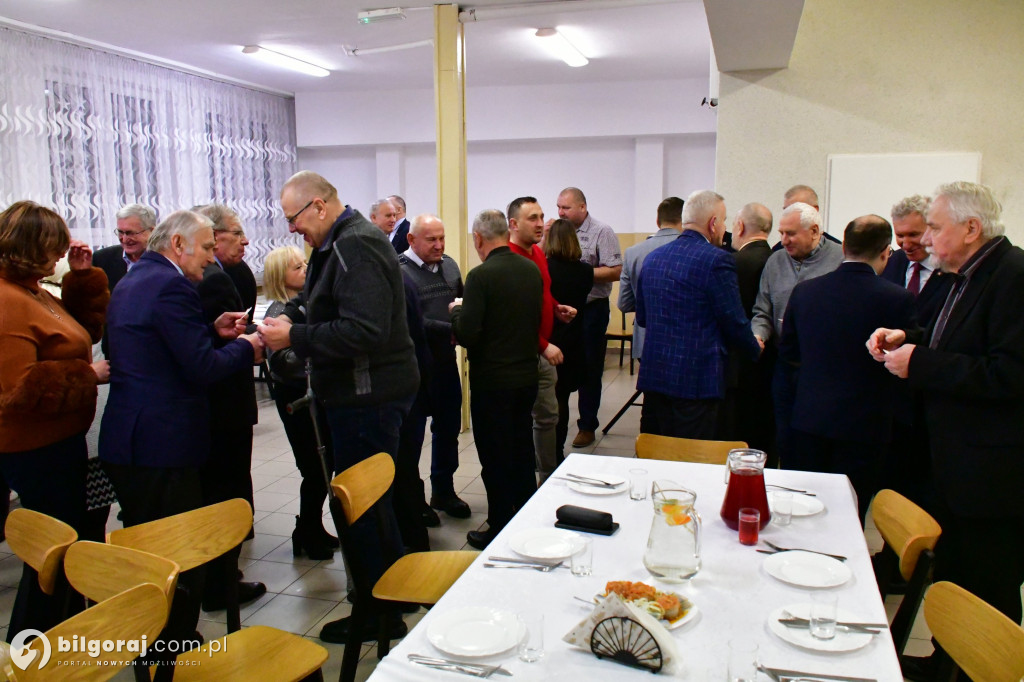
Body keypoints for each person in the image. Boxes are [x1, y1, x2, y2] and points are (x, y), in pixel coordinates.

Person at [259, 171, 418, 644]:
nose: (291, 228)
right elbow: (315, 301)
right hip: (357, 395)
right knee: (371, 506)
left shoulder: (356, 245)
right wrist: (285, 316)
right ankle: (389, 596)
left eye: (294, 217)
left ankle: (376, 614)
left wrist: (295, 337)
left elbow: (364, 330)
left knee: (362, 509)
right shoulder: (335, 244)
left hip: (366, 398)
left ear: (320, 206)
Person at [99, 209, 261, 658]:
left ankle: (157, 641)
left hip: (131, 437)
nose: (211, 258)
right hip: (161, 443)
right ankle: (170, 647)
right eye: (208, 247)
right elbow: (202, 368)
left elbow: (152, 348)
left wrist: (210, 331)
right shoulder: (172, 285)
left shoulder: (135, 278)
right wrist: (246, 346)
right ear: (178, 245)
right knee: (175, 557)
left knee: (149, 546)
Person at [868, 181, 1024, 627]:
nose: (928, 239)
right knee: (957, 575)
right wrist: (907, 339)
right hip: (957, 465)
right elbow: (956, 344)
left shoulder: (1013, 276)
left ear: (971, 227)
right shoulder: (965, 274)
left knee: (987, 587)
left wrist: (920, 363)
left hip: (991, 477)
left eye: (935, 228)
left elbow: (1009, 373)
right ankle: (944, 661)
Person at [0, 201, 109, 638]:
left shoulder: (32, 290)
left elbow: (77, 336)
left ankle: (62, 636)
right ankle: (30, 648)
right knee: (51, 553)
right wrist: (87, 374)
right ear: (30, 248)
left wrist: (81, 280)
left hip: (59, 440)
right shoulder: (8, 301)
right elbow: (17, 390)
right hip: (34, 447)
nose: (60, 257)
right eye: (54, 250)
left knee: (68, 542)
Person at [779, 215, 914, 523]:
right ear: (886, 253)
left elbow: (788, 358)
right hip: (865, 428)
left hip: (808, 421)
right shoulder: (898, 299)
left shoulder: (806, 292)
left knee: (802, 511)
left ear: (843, 247)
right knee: (848, 516)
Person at [189, 204, 266, 612]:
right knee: (226, 489)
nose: (245, 240)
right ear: (215, 237)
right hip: (224, 407)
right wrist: (250, 345)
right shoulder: (214, 280)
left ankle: (218, 577)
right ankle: (221, 584)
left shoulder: (221, 274)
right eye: (237, 233)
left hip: (212, 407)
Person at [635, 190, 761, 438]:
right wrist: (754, 349)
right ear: (713, 223)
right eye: (724, 221)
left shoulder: (652, 259)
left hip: (655, 378)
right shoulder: (717, 261)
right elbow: (733, 321)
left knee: (657, 455)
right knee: (691, 461)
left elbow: (643, 318)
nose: (724, 228)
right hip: (696, 383)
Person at [451, 209, 542, 550]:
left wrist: (456, 311)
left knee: (494, 455)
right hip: (525, 376)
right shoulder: (530, 269)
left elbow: (468, 334)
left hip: (493, 381)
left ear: (478, 239)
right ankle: (526, 515)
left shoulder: (480, 276)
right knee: (520, 450)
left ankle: (500, 523)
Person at [261, 246, 340, 559]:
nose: (305, 270)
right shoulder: (278, 311)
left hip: (312, 395)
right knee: (313, 467)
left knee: (324, 465)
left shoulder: (305, 305)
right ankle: (305, 531)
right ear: (282, 276)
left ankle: (311, 526)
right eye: (297, 267)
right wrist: (317, 348)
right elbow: (283, 362)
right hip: (295, 397)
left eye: (305, 264)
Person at [751, 202, 842, 464]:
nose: (783, 240)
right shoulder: (775, 261)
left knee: (816, 440)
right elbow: (762, 309)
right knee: (786, 436)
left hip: (823, 368)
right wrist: (758, 334)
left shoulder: (839, 260)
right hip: (784, 364)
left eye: (790, 233)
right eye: (781, 233)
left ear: (814, 231)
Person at [880, 195, 953, 508]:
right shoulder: (893, 264)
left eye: (914, 234)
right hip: (893, 393)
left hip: (933, 391)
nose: (907, 242)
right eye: (900, 235)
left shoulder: (950, 271)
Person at [398, 215, 471, 522]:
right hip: (412, 367)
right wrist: (447, 330)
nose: (439, 245)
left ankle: (443, 489)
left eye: (442, 238)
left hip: (444, 362)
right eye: (431, 240)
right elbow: (406, 322)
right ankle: (413, 501)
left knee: (447, 428)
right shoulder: (398, 272)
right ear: (412, 240)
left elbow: (462, 301)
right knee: (411, 437)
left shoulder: (450, 266)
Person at [507, 196, 576, 481]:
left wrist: (555, 307)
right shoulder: (509, 260)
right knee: (521, 422)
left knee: (549, 417)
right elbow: (514, 316)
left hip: (543, 351)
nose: (540, 224)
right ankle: (523, 482)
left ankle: (547, 477)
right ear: (513, 224)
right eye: (532, 218)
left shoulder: (537, 253)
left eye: (541, 217)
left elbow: (540, 296)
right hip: (523, 355)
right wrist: (544, 345)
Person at [556, 187, 621, 448]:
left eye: (566, 208)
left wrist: (580, 274)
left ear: (583, 207)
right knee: (559, 365)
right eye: (559, 207)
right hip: (561, 309)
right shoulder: (556, 232)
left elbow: (615, 271)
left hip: (591, 308)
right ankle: (558, 422)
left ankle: (587, 425)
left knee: (590, 367)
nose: (560, 212)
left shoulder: (601, 232)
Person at [543, 219, 593, 464]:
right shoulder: (585, 271)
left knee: (548, 402)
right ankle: (559, 448)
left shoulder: (544, 268)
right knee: (563, 399)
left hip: (550, 340)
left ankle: (545, 451)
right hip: (575, 340)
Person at [729, 202, 774, 452]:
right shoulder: (778, 260)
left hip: (738, 362)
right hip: (769, 357)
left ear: (740, 226)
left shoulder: (733, 263)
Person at [618, 197, 684, 361]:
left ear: (657, 221)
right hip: (682, 339)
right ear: (685, 220)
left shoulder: (633, 252)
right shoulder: (691, 250)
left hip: (645, 337)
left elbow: (624, 303)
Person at [93, 203, 156, 356]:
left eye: (131, 233)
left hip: (152, 350)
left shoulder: (163, 261)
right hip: (115, 350)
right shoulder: (102, 259)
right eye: (120, 232)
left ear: (152, 232)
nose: (124, 239)